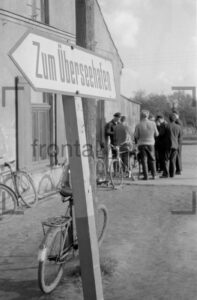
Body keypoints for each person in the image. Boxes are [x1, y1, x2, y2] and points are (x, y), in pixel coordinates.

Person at [134, 110, 158, 180]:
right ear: (148, 115)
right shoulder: (153, 123)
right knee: (152, 159)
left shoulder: (138, 124)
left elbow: (136, 136)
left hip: (142, 144)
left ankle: (146, 176)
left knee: (144, 160)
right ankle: (154, 175)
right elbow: (157, 134)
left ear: (141, 116)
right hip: (151, 144)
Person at [160, 113, 181, 178]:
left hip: (167, 145)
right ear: (175, 119)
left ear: (169, 119)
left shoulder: (166, 126)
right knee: (173, 160)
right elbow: (179, 137)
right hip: (175, 145)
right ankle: (172, 174)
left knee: (166, 160)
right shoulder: (178, 127)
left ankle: (166, 174)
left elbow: (161, 134)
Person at [173, 110, 183, 175]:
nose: (173, 116)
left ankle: (179, 170)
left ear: (177, 115)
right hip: (179, 140)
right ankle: (179, 169)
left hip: (178, 141)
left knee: (177, 156)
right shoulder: (179, 121)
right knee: (178, 155)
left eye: (174, 115)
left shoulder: (177, 122)